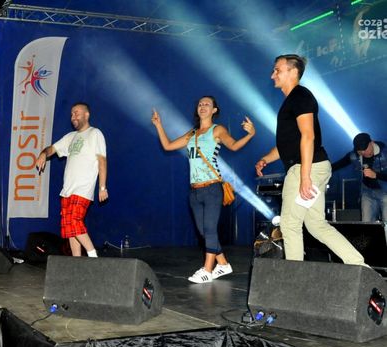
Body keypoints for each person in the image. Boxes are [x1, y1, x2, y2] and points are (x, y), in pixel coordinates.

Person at [255, 54, 366, 265]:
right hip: (314, 166)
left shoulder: (300, 96)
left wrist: (305, 176)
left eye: (277, 70)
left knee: (289, 224)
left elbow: (308, 136)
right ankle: (360, 265)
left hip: (306, 168)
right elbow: (290, 143)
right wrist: (266, 159)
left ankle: (294, 277)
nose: (272, 75)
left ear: (293, 72)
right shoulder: (293, 100)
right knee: (316, 225)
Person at [151, 96, 256, 283]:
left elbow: (233, 146)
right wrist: (159, 125)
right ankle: (223, 263)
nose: (203, 106)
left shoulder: (217, 130)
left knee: (209, 229)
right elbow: (167, 146)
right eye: (200, 104)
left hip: (212, 188)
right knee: (203, 232)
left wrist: (250, 135)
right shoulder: (192, 133)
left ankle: (207, 270)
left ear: (214, 110)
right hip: (195, 190)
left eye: (207, 104)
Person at [35, 102, 108, 257]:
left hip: (82, 188)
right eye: (71, 114)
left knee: (74, 221)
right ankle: (77, 261)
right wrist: (43, 154)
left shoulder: (95, 133)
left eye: (77, 113)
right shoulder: (70, 137)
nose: (73, 116)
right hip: (67, 190)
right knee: (70, 229)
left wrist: (102, 187)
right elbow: (52, 149)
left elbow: (102, 161)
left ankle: (93, 255)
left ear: (87, 115)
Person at [332, 132, 387, 241]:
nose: (365, 153)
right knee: (367, 224)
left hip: (385, 192)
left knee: (386, 224)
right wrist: (320, 168)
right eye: (361, 152)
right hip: (367, 193)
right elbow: (337, 165)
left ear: (372, 142)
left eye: (366, 149)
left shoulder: (385, 152)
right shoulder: (354, 155)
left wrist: (376, 175)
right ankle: (372, 250)